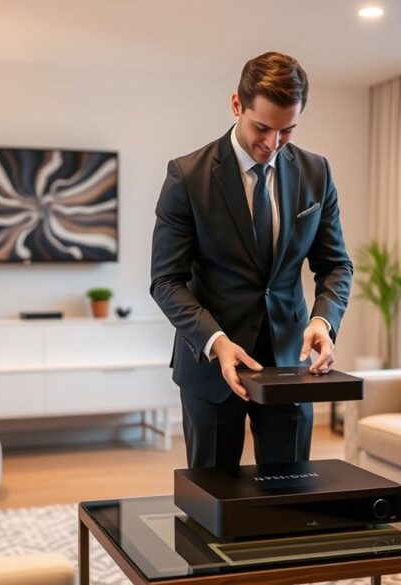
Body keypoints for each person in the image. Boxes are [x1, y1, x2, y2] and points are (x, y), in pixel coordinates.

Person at [150, 52, 353, 469]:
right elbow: (166, 281)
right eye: (262, 127)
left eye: (287, 131)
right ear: (236, 105)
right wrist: (216, 341)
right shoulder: (187, 177)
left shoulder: (317, 173)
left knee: (288, 501)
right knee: (212, 508)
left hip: (290, 368)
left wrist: (322, 321)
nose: (272, 143)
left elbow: (335, 265)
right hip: (211, 369)